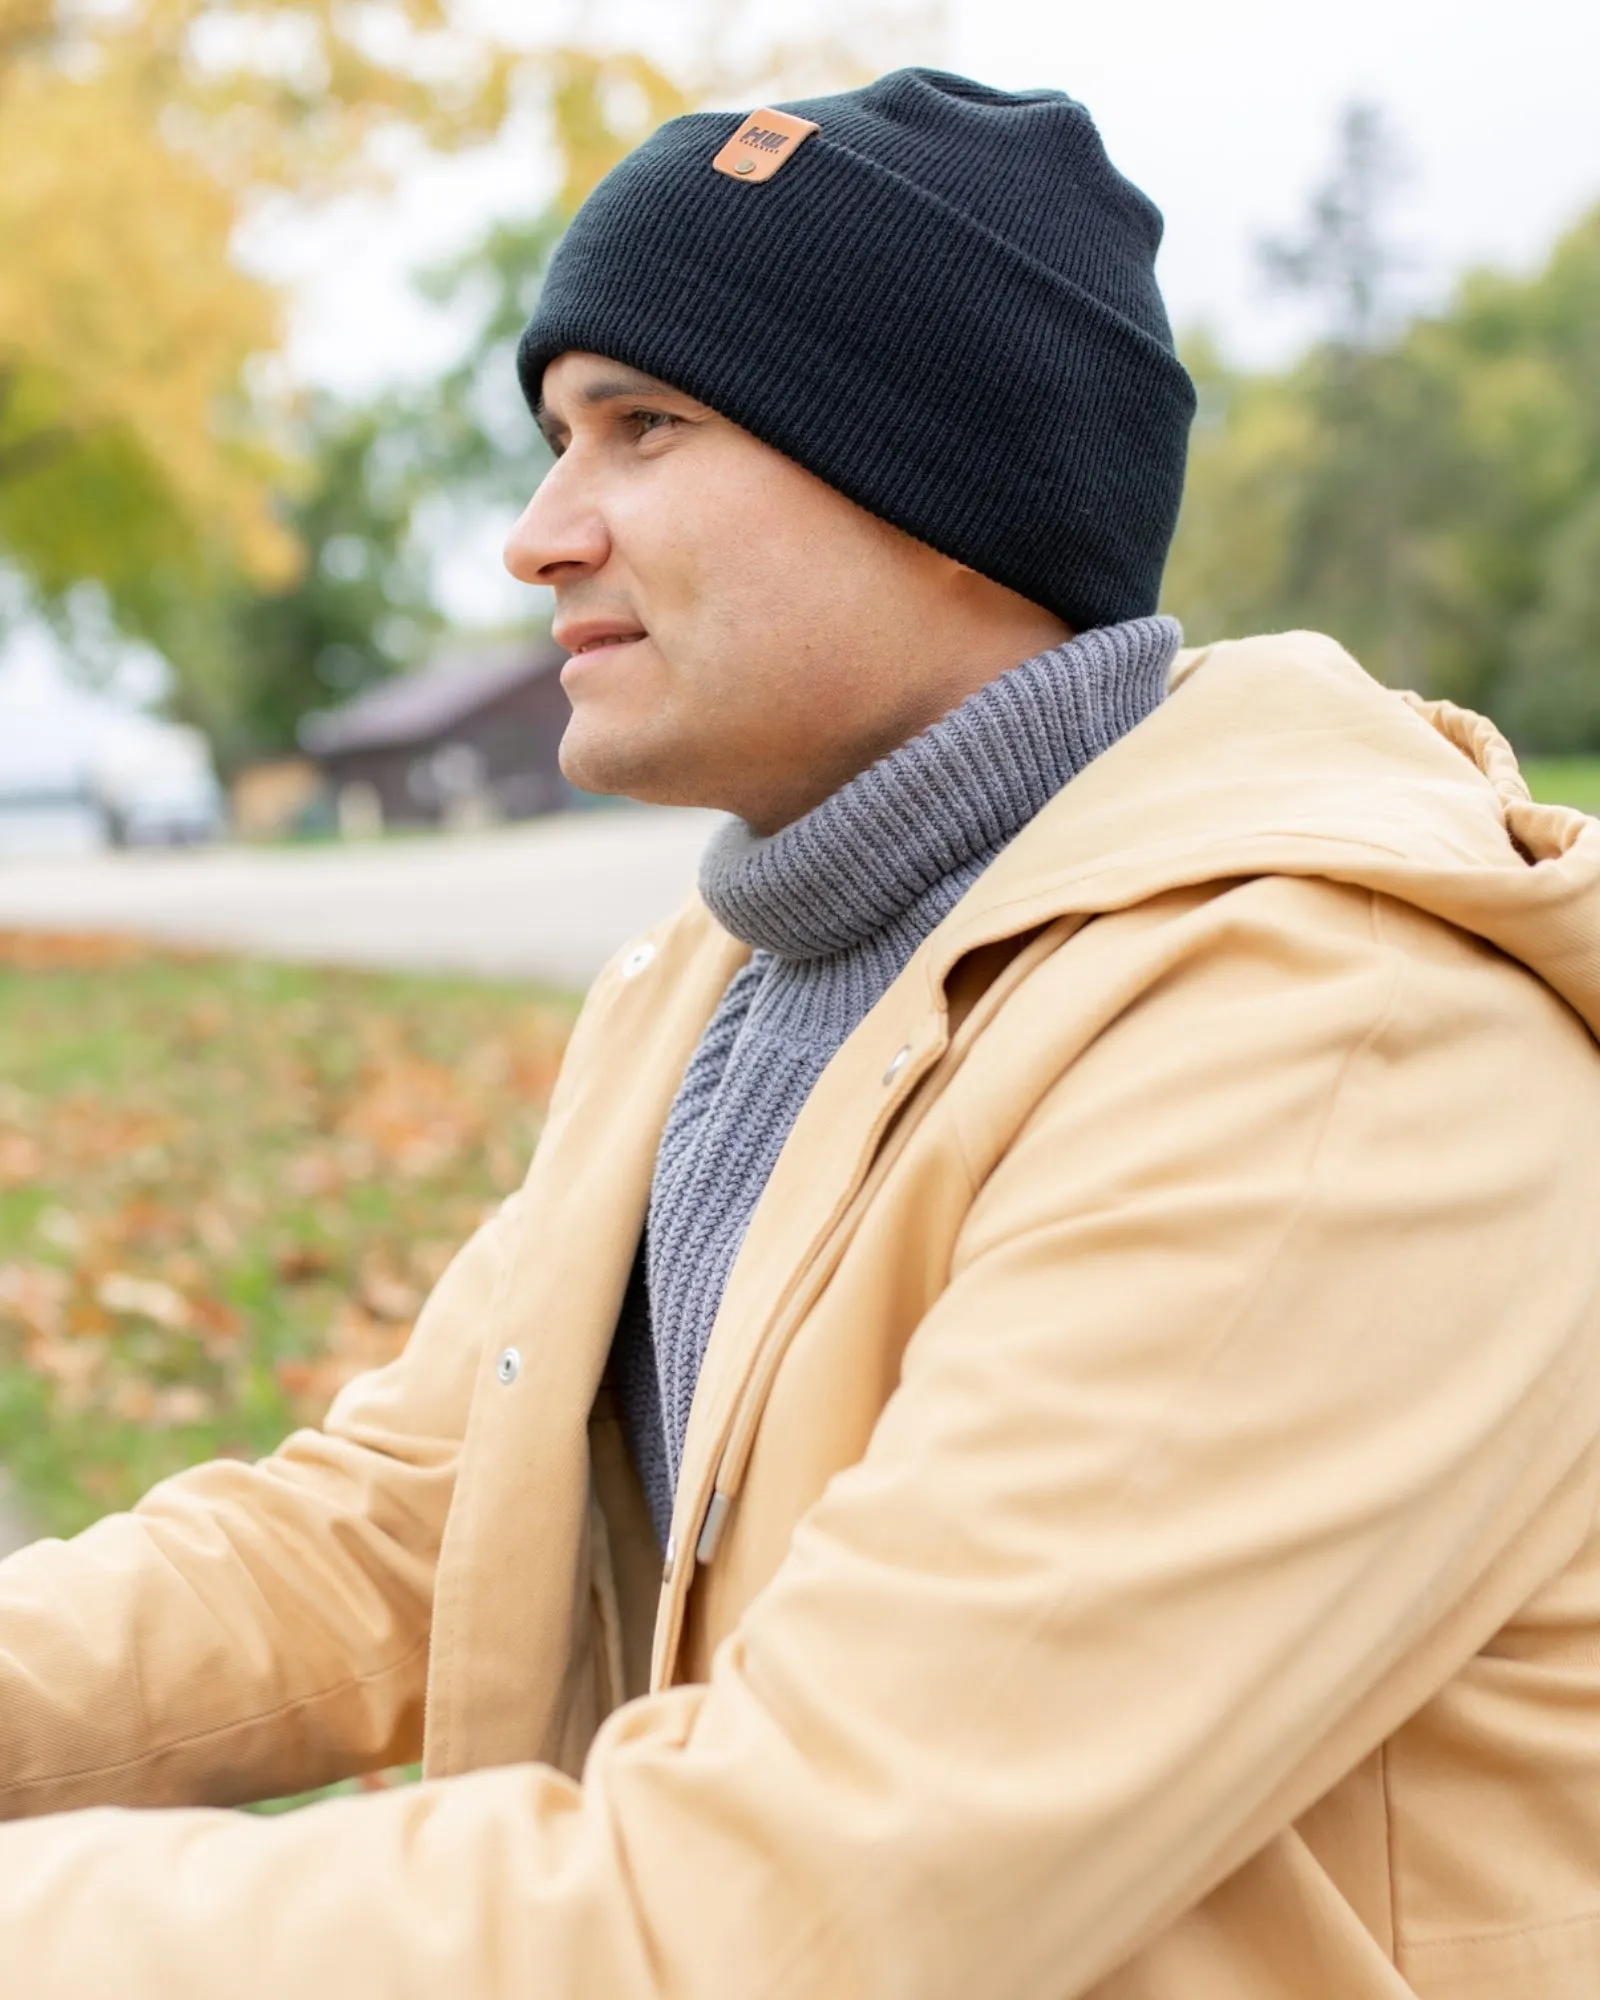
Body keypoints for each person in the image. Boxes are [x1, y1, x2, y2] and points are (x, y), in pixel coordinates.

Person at [2, 66, 1599, 2000]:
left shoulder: (1335, 1047)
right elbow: (408, 1536)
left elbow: (795, 1905)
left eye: (641, 428)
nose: (536, 535)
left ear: (946, 489)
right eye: (554, 438)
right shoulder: (725, 979)